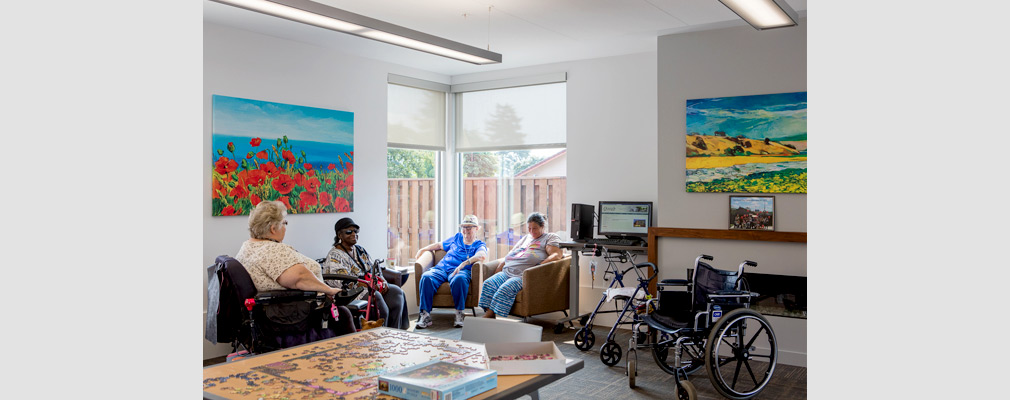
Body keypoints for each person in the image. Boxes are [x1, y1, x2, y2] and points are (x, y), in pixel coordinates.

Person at [234, 201, 356, 336]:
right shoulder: (273, 250)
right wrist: (329, 290)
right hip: (289, 312)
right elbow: (299, 278)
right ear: (273, 229)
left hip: (270, 311)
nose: (285, 227)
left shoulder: (248, 246)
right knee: (344, 314)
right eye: (284, 223)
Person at [321, 217, 409, 330]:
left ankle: (395, 331)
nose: (354, 234)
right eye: (349, 232)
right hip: (350, 293)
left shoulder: (360, 250)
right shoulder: (334, 255)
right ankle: (381, 334)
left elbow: (374, 268)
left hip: (370, 286)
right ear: (339, 235)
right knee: (376, 298)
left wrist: (382, 281)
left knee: (396, 292)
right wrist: (366, 285)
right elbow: (338, 282)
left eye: (355, 231)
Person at [479, 212, 563, 319]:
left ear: (543, 226)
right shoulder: (526, 238)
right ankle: (490, 314)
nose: (531, 231)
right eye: (529, 228)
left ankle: (490, 315)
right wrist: (501, 264)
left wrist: (538, 267)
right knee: (488, 284)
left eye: (535, 228)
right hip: (508, 271)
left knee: (505, 288)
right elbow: (512, 252)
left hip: (522, 276)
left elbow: (557, 255)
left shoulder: (549, 237)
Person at [413, 215, 488, 329]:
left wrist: (463, 264)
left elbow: (481, 255)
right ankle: (425, 315)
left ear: (476, 229)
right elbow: (439, 245)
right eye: (464, 227)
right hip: (442, 268)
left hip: (460, 271)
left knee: (459, 280)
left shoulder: (478, 244)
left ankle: (459, 314)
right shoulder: (457, 238)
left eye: (469, 227)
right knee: (426, 277)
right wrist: (423, 249)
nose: (466, 230)